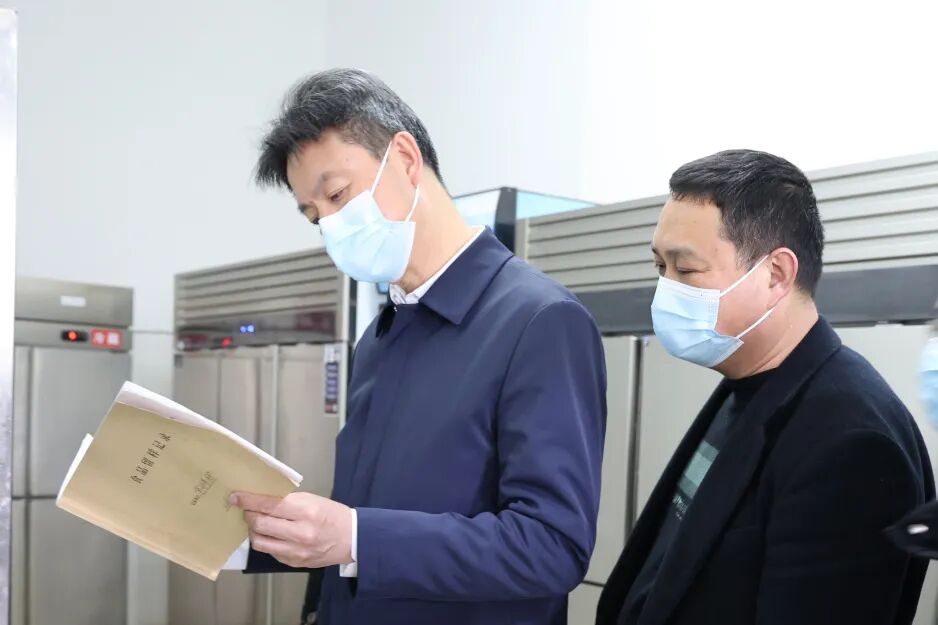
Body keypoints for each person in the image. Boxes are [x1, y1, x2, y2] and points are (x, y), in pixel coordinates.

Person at [227, 68, 607, 625]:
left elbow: (551, 547)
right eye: (315, 217)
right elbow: (358, 519)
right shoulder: (381, 336)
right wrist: (237, 535)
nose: (331, 227)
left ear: (405, 159)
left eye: (337, 195)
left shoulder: (540, 321)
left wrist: (357, 538)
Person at [596, 150, 934, 625]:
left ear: (776, 274)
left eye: (685, 270)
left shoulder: (850, 444)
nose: (666, 290)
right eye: (660, 268)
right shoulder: (749, 387)